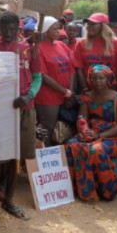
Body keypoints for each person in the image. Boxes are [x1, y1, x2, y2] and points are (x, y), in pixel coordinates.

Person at [0, 11, 42, 228]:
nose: (7, 33)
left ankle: (9, 200)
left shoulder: (29, 48)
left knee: (16, 157)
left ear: (18, 29)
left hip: (25, 107)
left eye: (12, 29)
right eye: (4, 29)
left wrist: (29, 95)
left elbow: (37, 77)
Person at [65, 65, 117, 201]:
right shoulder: (87, 96)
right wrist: (84, 131)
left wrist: (99, 136)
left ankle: (107, 190)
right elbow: (82, 118)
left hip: (111, 136)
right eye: (94, 78)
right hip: (91, 132)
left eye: (101, 78)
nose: (97, 81)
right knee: (71, 145)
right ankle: (76, 188)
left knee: (96, 150)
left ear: (108, 79)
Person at [35, 16, 75, 146]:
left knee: (64, 130)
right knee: (48, 130)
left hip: (66, 94)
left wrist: (71, 92)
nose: (59, 31)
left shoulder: (62, 45)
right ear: (45, 31)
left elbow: (71, 69)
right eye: (55, 29)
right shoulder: (38, 48)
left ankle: (62, 160)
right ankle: (47, 162)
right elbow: (43, 76)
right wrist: (65, 92)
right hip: (47, 98)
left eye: (59, 28)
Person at [72, 13, 117, 91]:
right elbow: (79, 69)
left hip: (110, 90)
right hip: (89, 91)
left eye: (93, 24)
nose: (89, 26)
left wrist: (113, 89)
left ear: (103, 26)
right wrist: (85, 89)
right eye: (88, 24)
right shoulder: (81, 44)